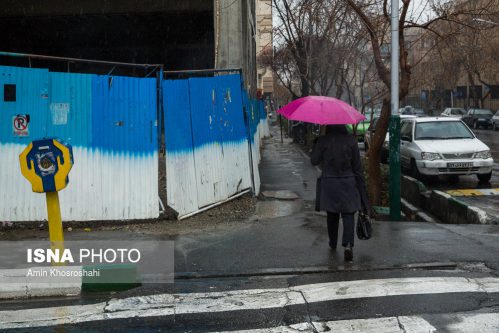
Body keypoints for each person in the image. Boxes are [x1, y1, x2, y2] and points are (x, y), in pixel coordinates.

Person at [310, 124, 369, 262]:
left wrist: (316, 143)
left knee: (332, 215)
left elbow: (314, 161)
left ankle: (332, 243)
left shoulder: (323, 140)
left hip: (330, 184)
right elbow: (358, 168)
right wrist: (362, 189)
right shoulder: (351, 141)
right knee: (348, 215)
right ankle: (348, 245)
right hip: (348, 182)